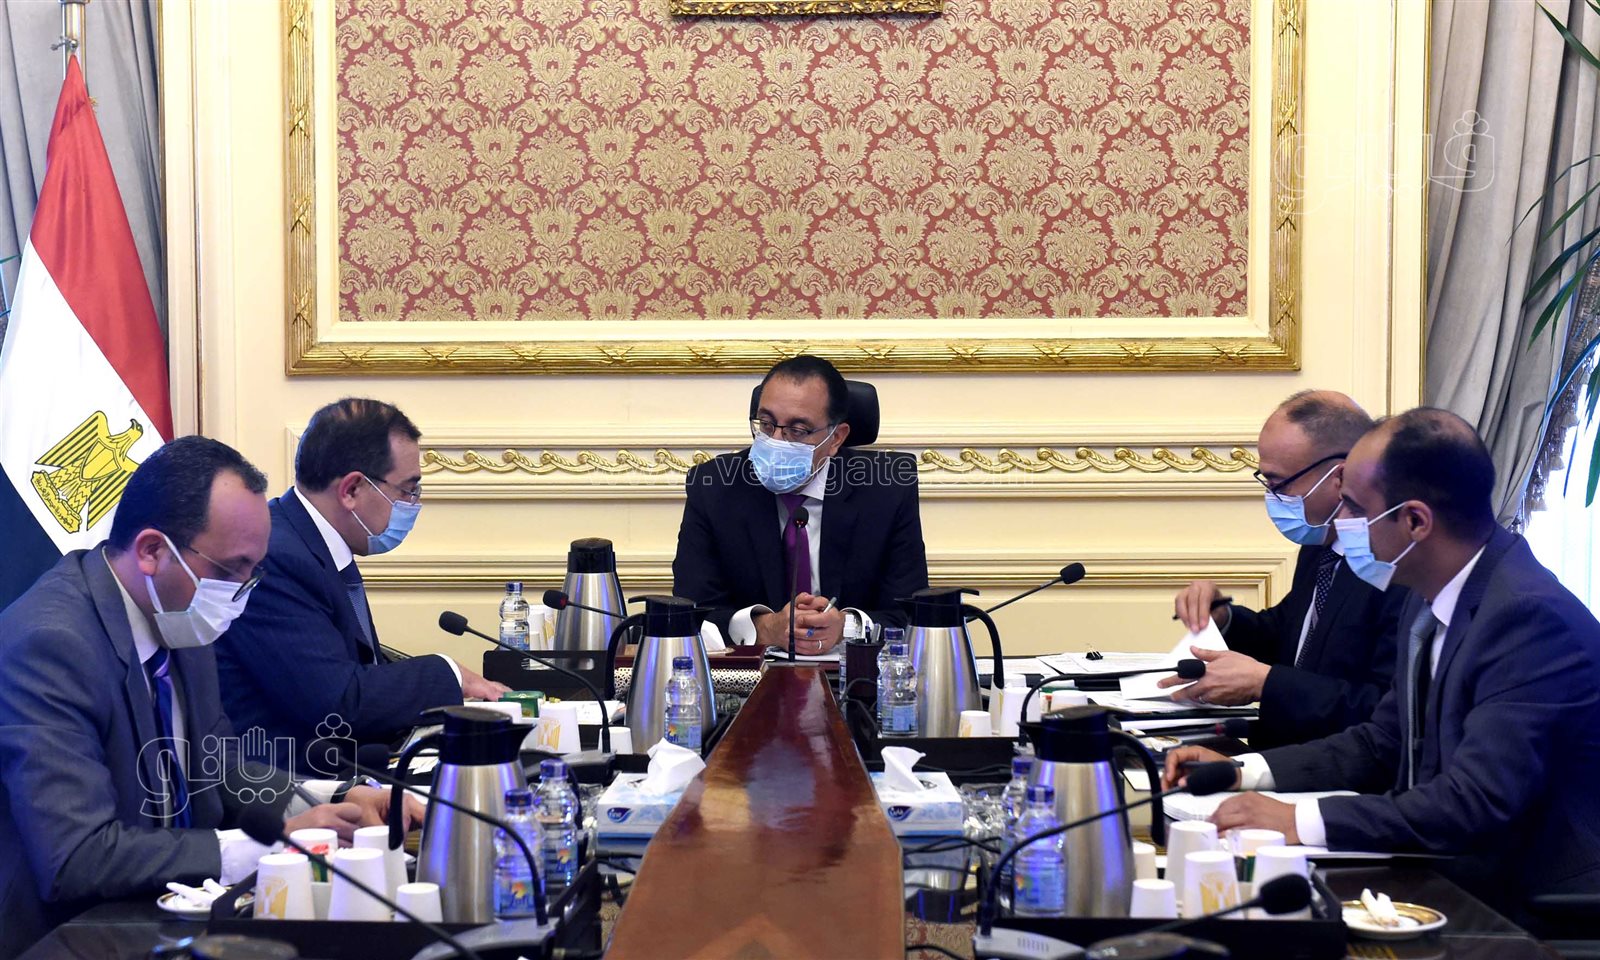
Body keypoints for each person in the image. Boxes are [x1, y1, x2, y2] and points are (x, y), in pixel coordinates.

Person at [1163, 408, 1600, 915]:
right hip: (1440, 867)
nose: (1340, 522)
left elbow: (1472, 802)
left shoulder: (1528, 620)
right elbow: (1382, 740)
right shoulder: (1428, 594)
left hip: (1525, 903)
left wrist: (1297, 820)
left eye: (1353, 506)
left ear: (1415, 521)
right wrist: (1241, 772)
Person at [0, 436, 419, 959]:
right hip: (70, 936)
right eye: (228, 570)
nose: (240, 593)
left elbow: (219, 766)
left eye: (252, 571)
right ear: (152, 551)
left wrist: (334, 799)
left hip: (169, 916)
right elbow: (77, 856)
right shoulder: (51, 644)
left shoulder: (180, 614)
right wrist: (267, 844)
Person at [218, 399, 509, 767]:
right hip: (283, 784)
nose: (414, 504)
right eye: (408, 490)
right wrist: (448, 673)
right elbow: (337, 702)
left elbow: (355, 666)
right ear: (352, 490)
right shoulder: (276, 556)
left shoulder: (316, 544)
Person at [1169, 391, 1408, 747]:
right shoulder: (1319, 546)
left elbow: (1385, 710)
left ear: (1340, 476)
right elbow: (1290, 637)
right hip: (1284, 752)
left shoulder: (1398, 565)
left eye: (1279, 483)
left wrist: (1266, 684)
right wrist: (1224, 616)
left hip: (1339, 766)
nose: (1271, 495)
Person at [673, 355, 929, 654]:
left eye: (797, 430)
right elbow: (691, 611)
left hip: (855, 673)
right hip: (750, 672)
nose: (776, 440)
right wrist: (763, 627)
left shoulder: (887, 490)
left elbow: (910, 614)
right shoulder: (715, 487)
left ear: (836, 438)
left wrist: (846, 627)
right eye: (766, 424)